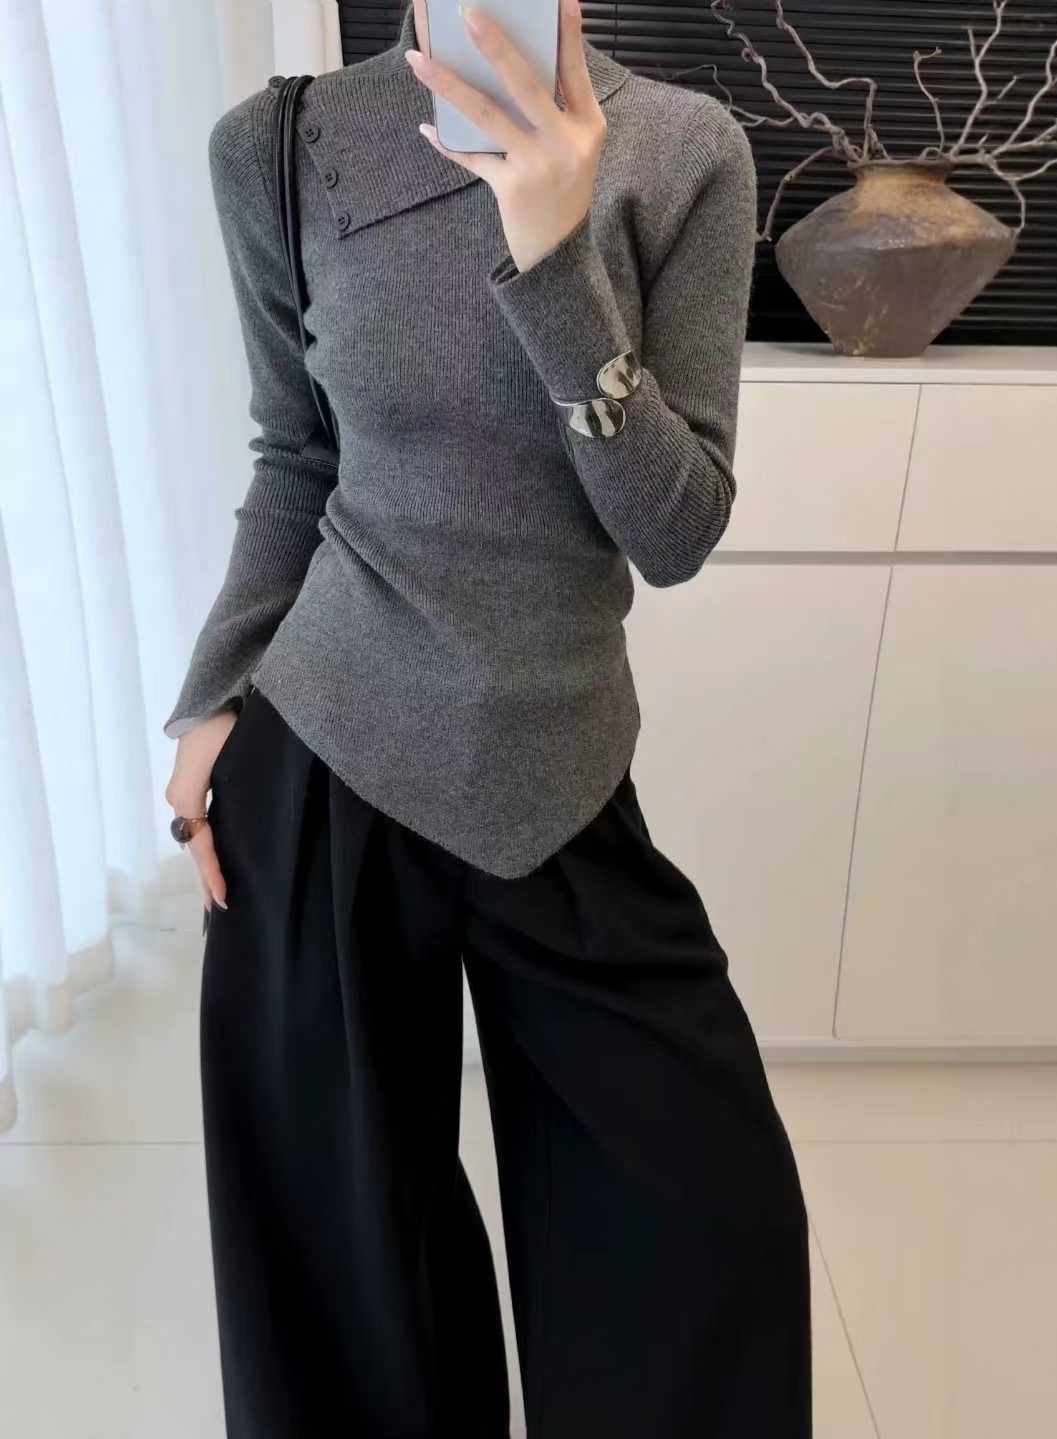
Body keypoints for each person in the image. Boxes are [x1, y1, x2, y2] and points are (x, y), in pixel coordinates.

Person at [163, 1, 812, 1434]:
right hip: (322, 760)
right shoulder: (279, 147)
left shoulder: (684, 150)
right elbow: (294, 459)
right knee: (341, 1290)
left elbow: (676, 530)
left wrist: (554, 253)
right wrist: (215, 691)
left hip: (561, 777)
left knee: (709, 1235)